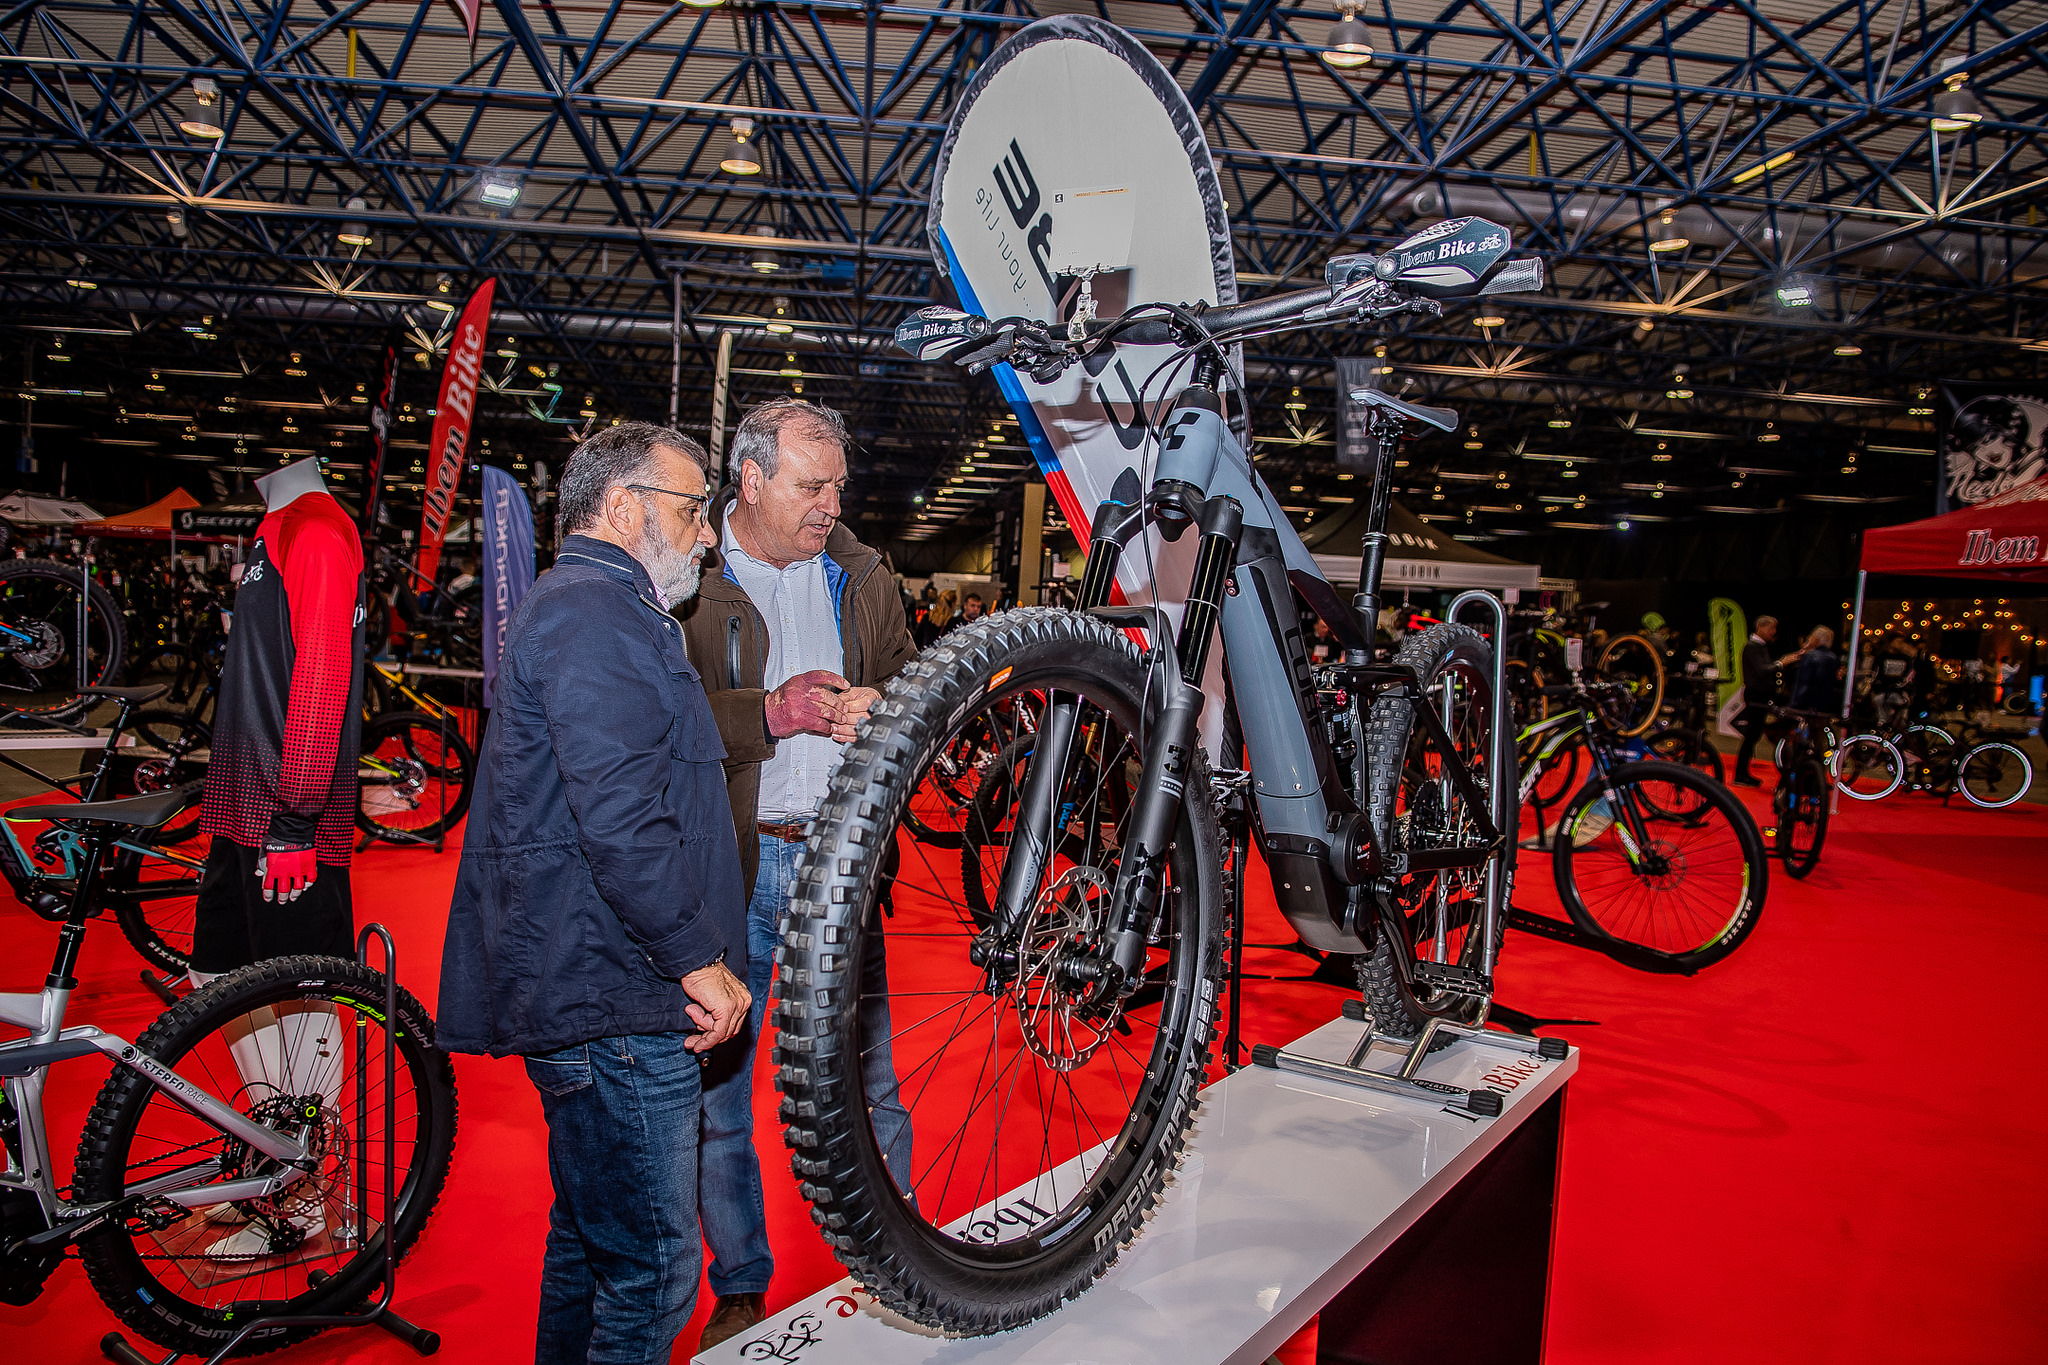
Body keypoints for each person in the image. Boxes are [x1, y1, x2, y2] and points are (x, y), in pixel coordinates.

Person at [438, 423, 750, 1365]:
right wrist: (697, 956)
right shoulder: (592, 614)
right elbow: (620, 817)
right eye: (692, 509)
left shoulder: (596, 606)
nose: (707, 532)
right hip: (619, 993)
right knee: (654, 1270)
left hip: (601, 980)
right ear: (622, 507)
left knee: (590, 1240)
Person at [679, 398, 919, 1349]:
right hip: (730, 864)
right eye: (811, 486)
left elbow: (917, 682)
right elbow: (658, 723)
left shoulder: (862, 573)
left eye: (838, 487)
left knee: (871, 1080)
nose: (831, 505)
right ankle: (740, 1286)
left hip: (841, 862)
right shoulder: (686, 575)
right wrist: (766, 715)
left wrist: (885, 704)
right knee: (721, 1094)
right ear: (751, 479)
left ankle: (904, 1263)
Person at [189, 454, 366, 1257]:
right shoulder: (276, 530)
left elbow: (324, 675)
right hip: (240, 813)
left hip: (284, 822)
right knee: (220, 983)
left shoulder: (319, 532)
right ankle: (269, 1164)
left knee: (299, 1006)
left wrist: (296, 819)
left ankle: (307, 1200)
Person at [1733, 615, 1804, 786]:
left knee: (1753, 735)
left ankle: (1742, 773)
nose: (1773, 632)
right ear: (1761, 627)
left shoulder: (1758, 646)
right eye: (1771, 628)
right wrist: (1781, 663)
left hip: (1759, 695)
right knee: (1751, 735)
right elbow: (1761, 670)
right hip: (1756, 695)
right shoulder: (1752, 647)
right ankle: (1740, 774)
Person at [1788, 626, 1841, 711]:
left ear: (1816, 639)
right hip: (1825, 705)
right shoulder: (1834, 658)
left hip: (1806, 705)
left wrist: (1794, 705)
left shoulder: (1810, 657)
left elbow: (1803, 685)